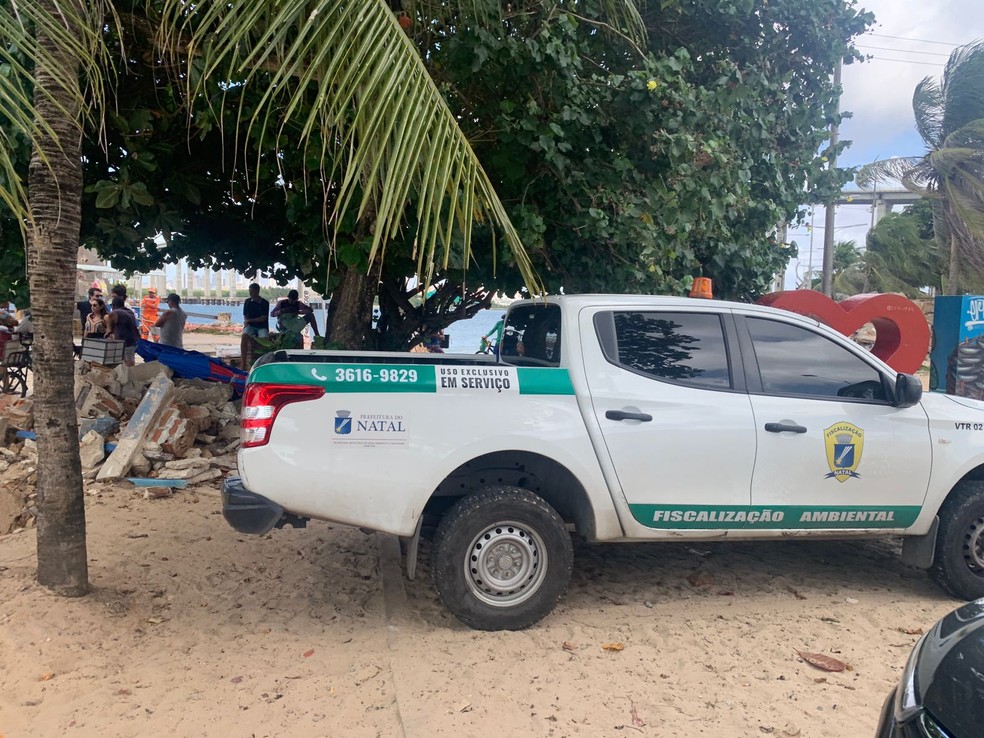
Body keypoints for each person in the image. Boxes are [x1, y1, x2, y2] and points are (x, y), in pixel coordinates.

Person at [105, 295, 139, 366]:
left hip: (126, 341)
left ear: (113, 305)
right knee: (128, 359)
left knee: (128, 360)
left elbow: (109, 323)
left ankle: (129, 375)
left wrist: (108, 332)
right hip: (134, 339)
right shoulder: (129, 311)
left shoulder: (115, 313)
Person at [241, 283, 270, 366]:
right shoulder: (247, 302)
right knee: (244, 336)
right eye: (249, 291)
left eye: (252, 291)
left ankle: (261, 362)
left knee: (264, 339)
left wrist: (249, 320)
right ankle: (243, 362)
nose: (250, 293)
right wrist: (247, 321)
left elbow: (263, 318)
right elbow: (245, 315)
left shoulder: (265, 303)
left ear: (257, 291)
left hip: (262, 327)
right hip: (250, 326)